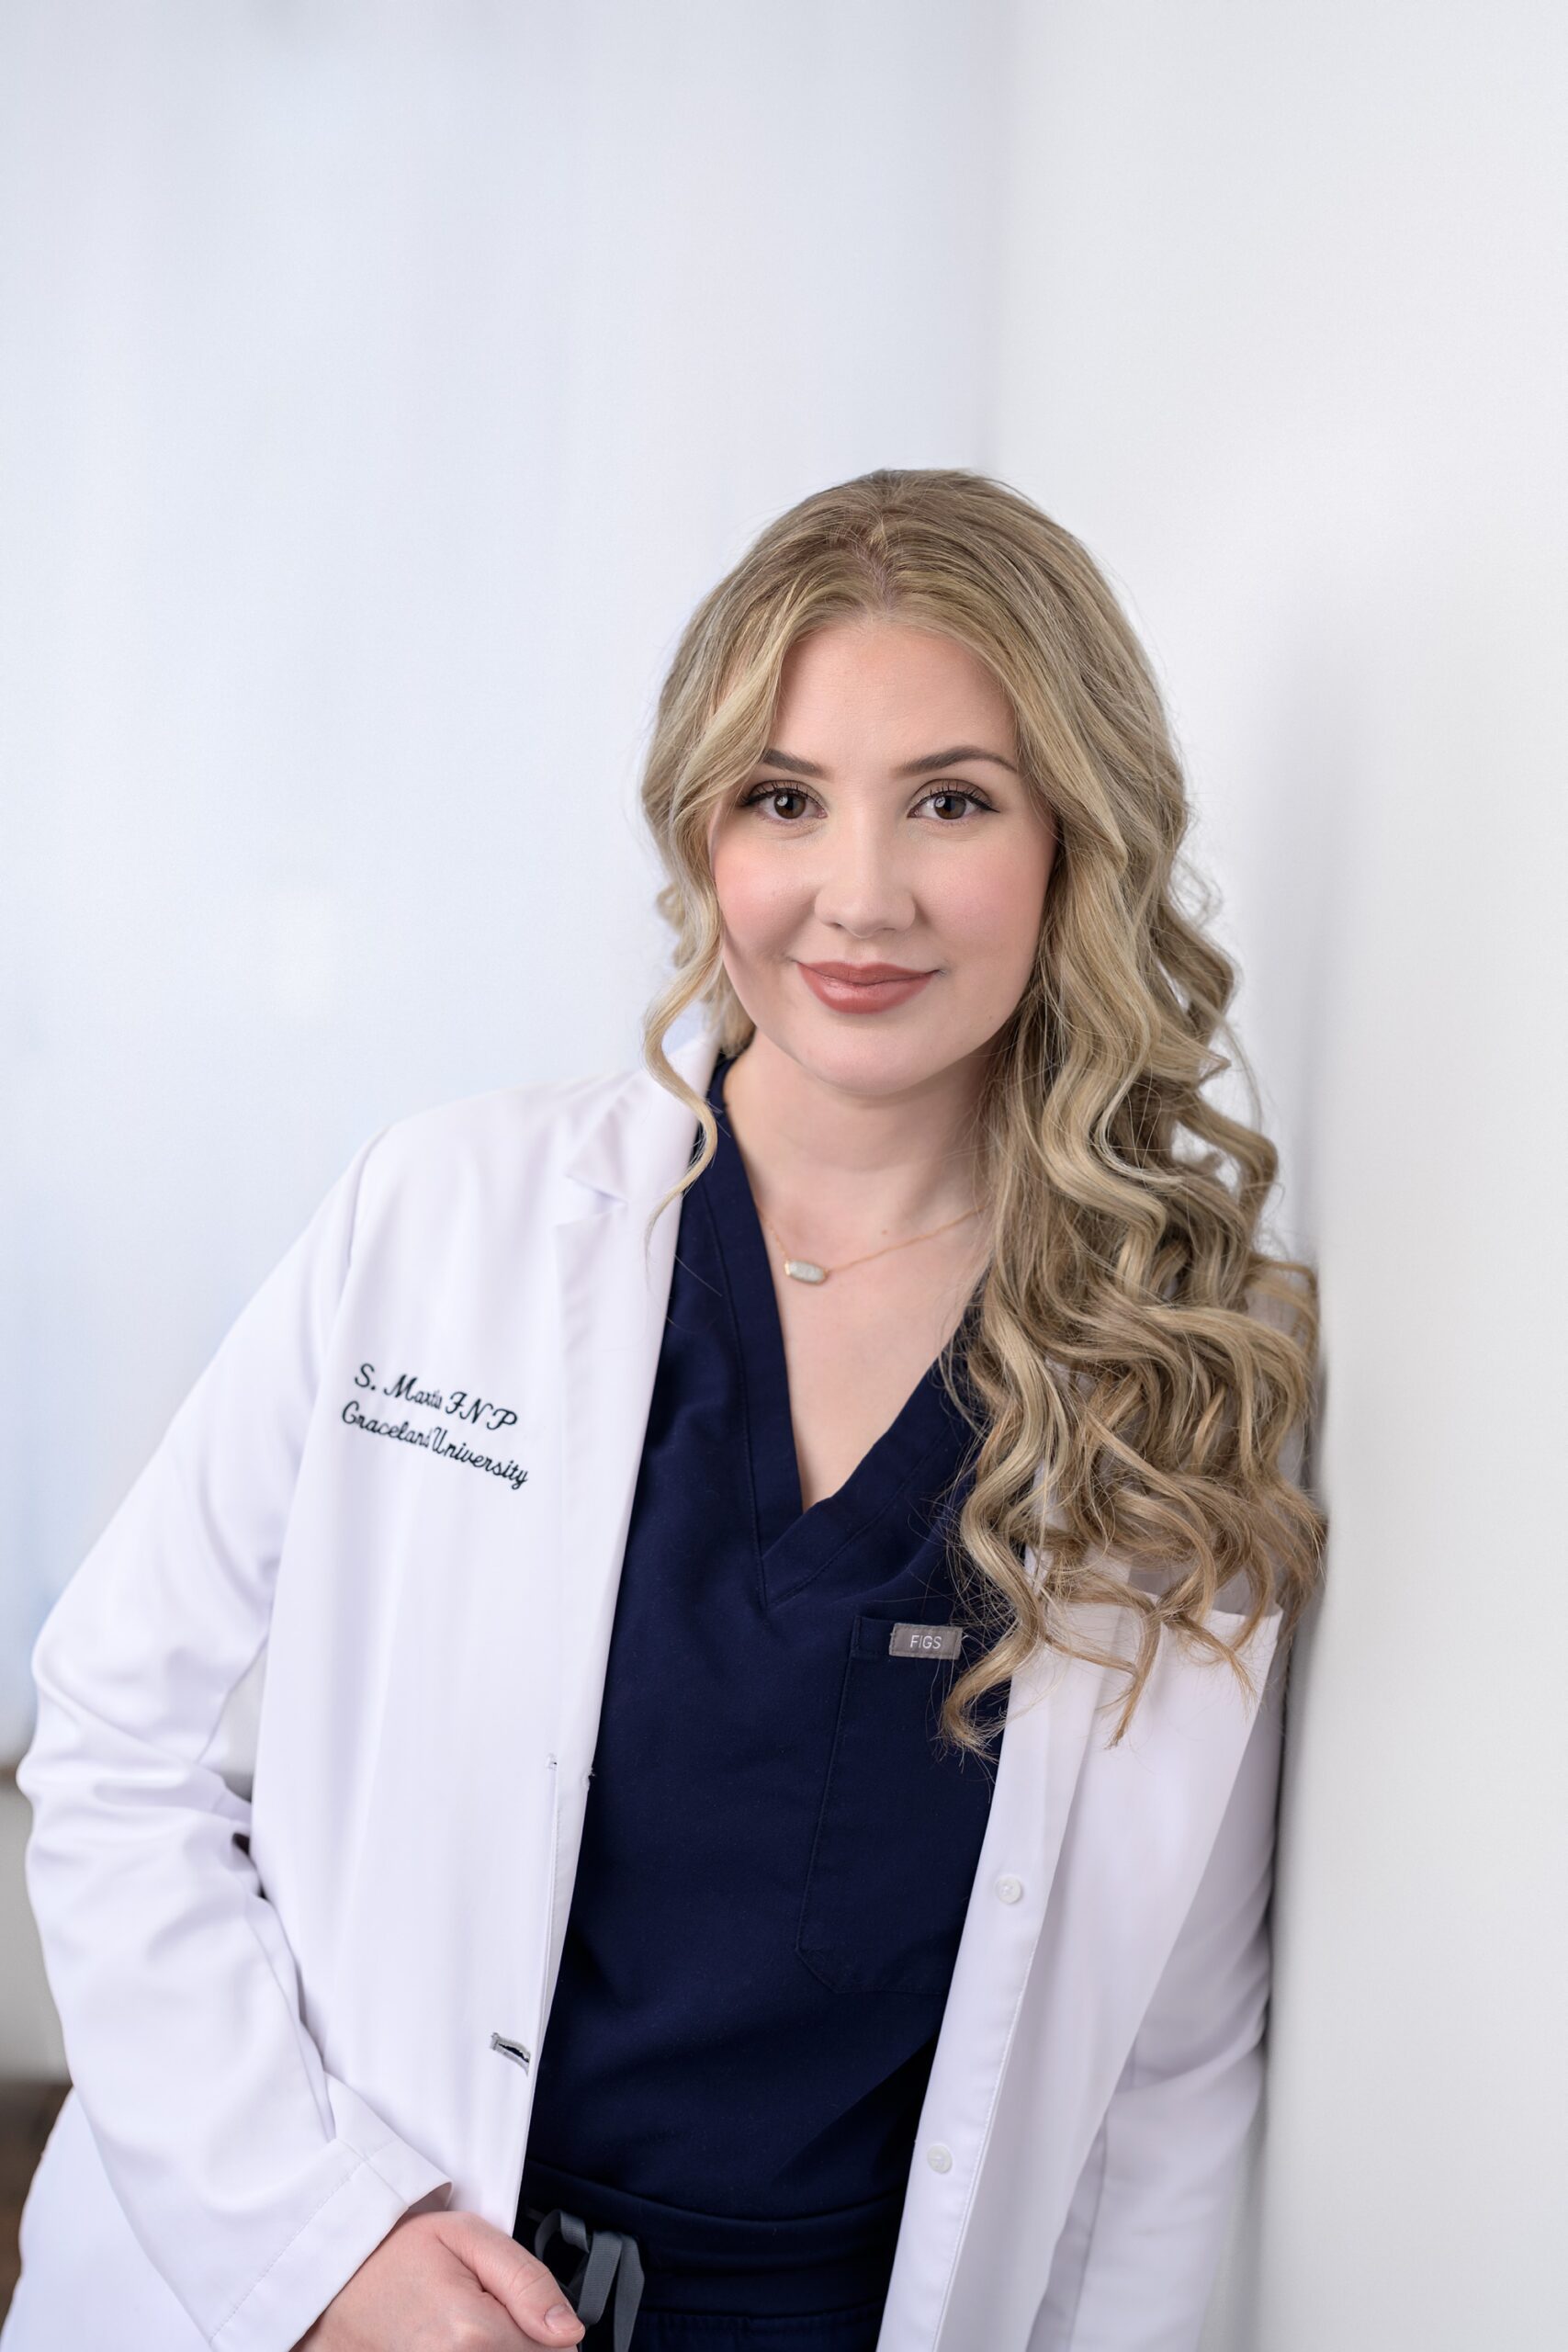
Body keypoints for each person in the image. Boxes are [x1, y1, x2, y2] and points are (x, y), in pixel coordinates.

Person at [6, 469, 1325, 2352]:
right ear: (704, 835)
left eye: (948, 799)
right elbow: (113, 1738)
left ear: (1071, 843)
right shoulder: (444, 1216)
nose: (853, 894)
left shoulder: (1175, 1372)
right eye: (783, 799)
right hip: (345, 2294)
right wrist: (316, 2246)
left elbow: (1165, 2068)